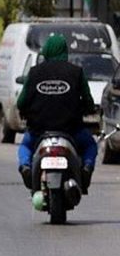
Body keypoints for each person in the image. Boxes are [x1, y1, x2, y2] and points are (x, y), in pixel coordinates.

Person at [16, 34, 97, 193]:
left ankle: (25, 166)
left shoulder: (34, 72)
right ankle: (87, 167)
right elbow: (88, 100)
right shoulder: (76, 72)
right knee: (90, 145)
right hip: (71, 130)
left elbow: (21, 102)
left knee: (25, 145)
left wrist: (26, 111)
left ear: (47, 51)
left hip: (39, 130)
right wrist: (89, 109)